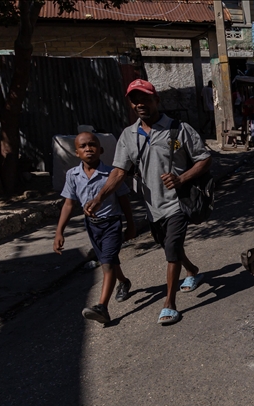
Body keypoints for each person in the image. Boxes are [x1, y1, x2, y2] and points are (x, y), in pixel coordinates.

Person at [84, 79, 211, 325]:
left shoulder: (178, 129)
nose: (140, 104)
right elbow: (119, 171)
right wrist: (99, 197)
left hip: (179, 202)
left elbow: (204, 158)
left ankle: (169, 304)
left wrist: (182, 177)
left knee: (172, 248)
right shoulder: (128, 136)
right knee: (167, 245)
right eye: (134, 99)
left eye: (145, 98)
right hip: (153, 206)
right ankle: (193, 271)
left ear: (156, 100)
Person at [54, 132, 136, 324]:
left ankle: (102, 307)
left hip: (111, 224)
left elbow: (124, 201)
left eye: (92, 145)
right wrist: (59, 232)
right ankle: (123, 282)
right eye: (83, 146)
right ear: (76, 152)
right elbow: (68, 204)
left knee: (106, 264)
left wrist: (131, 225)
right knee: (109, 259)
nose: (88, 149)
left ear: (101, 150)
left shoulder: (112, 174)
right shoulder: (72, 175)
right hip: (92, 226)